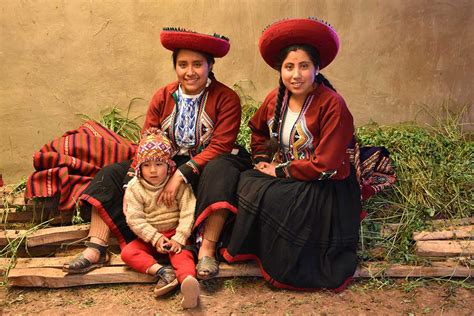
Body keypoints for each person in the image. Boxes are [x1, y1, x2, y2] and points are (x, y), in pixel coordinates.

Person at [63, 27, 252, 281]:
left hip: (210, 160)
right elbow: (147, 140)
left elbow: (220, 144)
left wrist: (180, 175)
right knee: (110, 174)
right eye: (182, 64)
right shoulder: (163, 96)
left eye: (198, 64)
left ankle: (207, 249)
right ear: (175, 66)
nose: (190, 71)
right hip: (167, 162)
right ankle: (96, 247)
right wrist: (134, 175)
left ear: (210, 65)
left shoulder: (225, 97)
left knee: (221, 172)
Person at [222, 18, 363, 291]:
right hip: (288, 172)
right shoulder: (277, 99)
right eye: (289, 67)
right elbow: (258, 130)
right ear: (280, 70)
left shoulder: (333, 105)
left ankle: (287, 264)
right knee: (246, 182)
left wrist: (279, 170)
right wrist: (263, 159)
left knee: (280, 196)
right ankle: (258, 250)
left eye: (304, 66)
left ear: (317, 68)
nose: (295, 75)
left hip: (326, 184)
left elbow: (328, 164)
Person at [121, 129, 199, 308]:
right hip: (149, 237)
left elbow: (189, 211)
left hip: (174, 236)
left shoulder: (177, 185)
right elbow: (134, 218)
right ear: (139, 166)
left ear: (169, 165)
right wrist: (154, 238)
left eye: (159, 164)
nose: (153, 170)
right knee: (128, 253)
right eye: (147, 165)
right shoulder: (135, 187)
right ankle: (163, 271)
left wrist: (179, 237)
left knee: (183, 257)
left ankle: (188, 283)